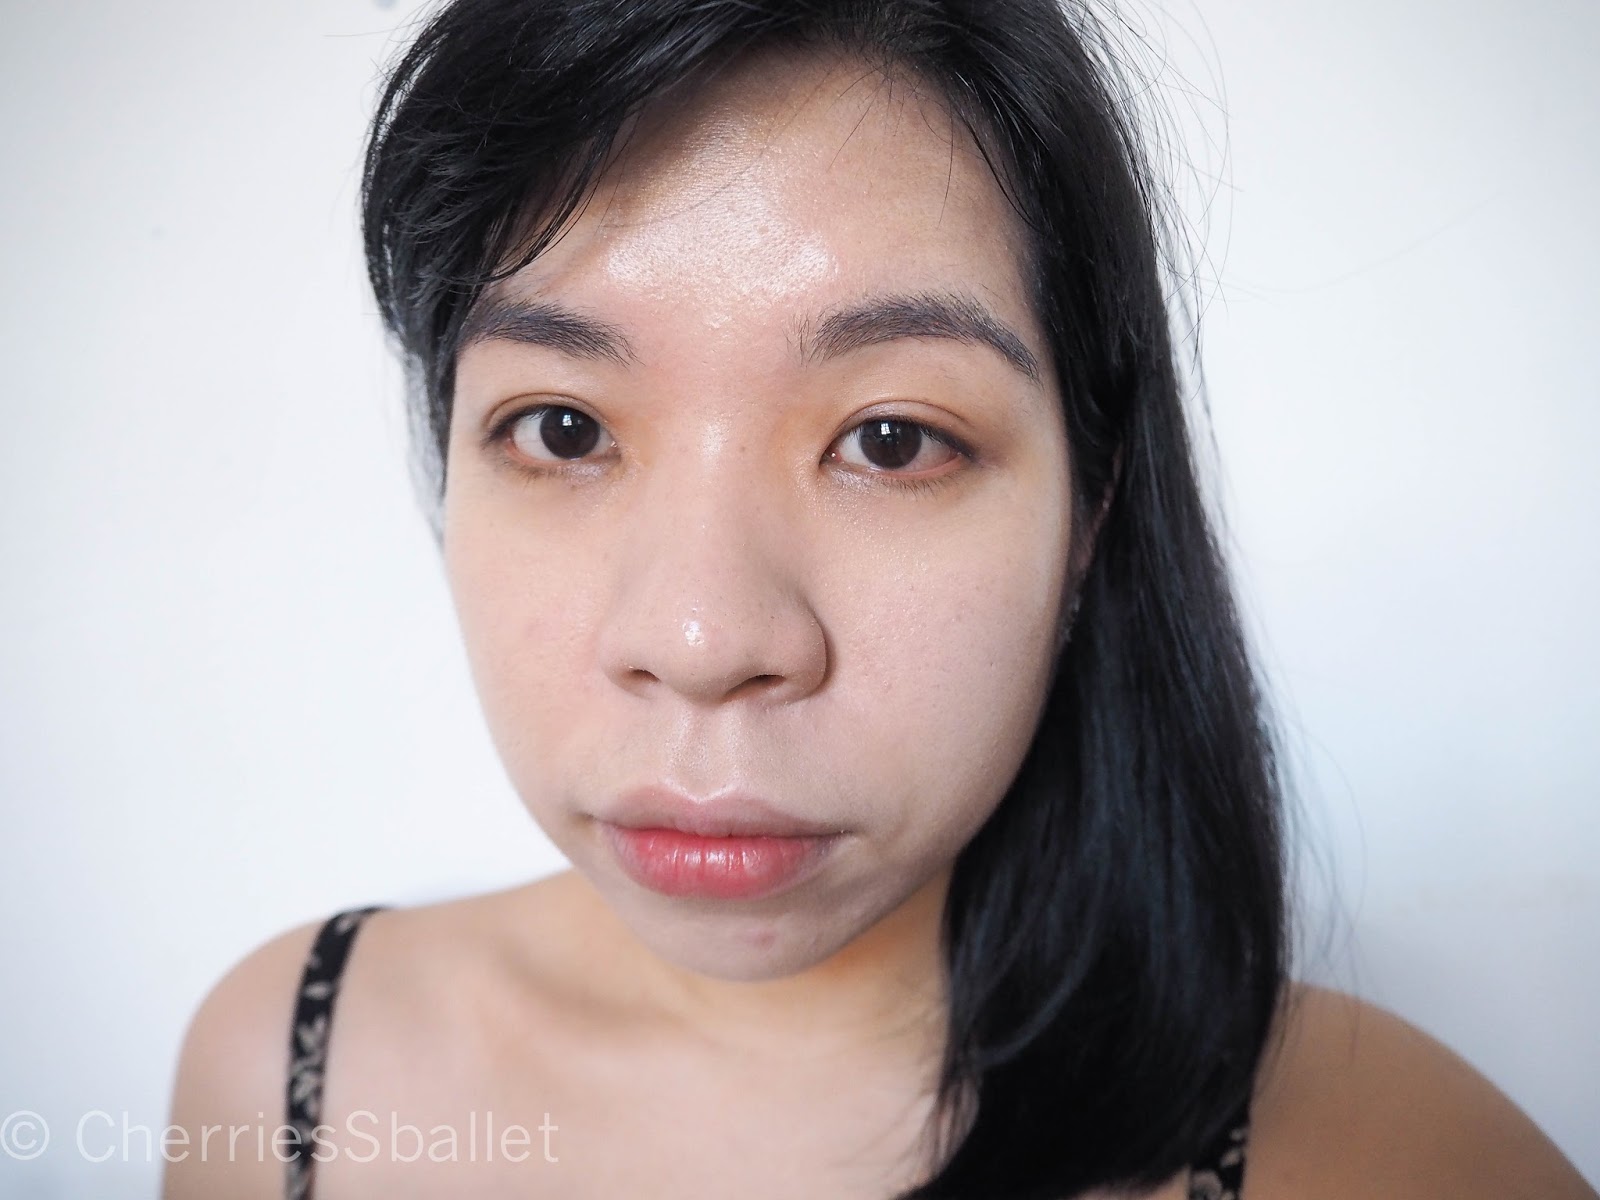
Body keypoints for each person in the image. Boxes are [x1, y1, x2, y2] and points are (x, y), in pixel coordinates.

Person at [161, 1, 1597, 1197]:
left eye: (894, 440)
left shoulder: (1385, 1158)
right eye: (564, 428)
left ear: (1089, 514)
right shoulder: (286, 1075)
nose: (703, 641)